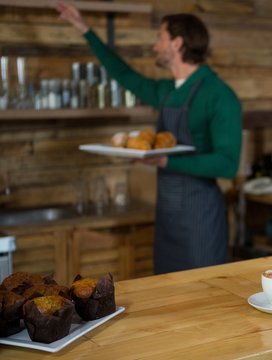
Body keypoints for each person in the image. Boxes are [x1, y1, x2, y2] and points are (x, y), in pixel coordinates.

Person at [56, 1, 242, 274]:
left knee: (203, 297)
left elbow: (227, 164)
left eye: (160, 38)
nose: (155, 46)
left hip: (200, 218)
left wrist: (167, 162)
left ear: (177, 44)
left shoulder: (219, 95)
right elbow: (124, 75)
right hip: (167, 215)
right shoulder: (168, 90)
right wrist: (83, 28)